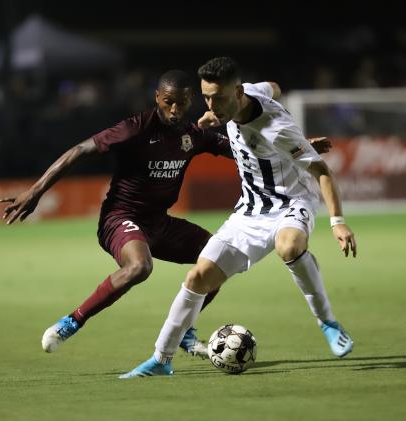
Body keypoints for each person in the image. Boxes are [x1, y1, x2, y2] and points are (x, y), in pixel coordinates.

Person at [0, 69, 331, 357]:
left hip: (160, 222)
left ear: (192, 101)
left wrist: (297, 148)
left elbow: (246, 147)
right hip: (120, 218)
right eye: (168, 101)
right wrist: (36, 191)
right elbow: (78, 151)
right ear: (157, 97)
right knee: (140, 267)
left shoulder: (192, 135)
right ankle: (72, 321)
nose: (174, 110)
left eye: (182, 103)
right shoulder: (135, 129)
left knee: (216, 262)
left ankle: (185, 332)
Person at [121, 57, 356, 378]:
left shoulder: (276, 128)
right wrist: (215, 114)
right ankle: (161, 359)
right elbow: (274, 87)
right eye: (206, 97)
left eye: (218, 98)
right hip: (250, 210)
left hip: (291, 201)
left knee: (288, 246)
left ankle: (327, 322)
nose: (211, 104)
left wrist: (337, 221)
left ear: (238, 91)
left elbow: (322, 171)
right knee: (197, 279)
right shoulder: (245, 96)